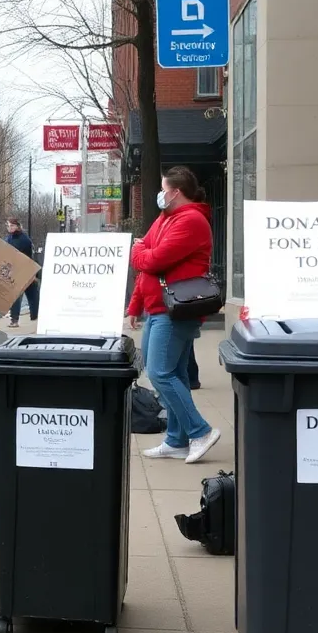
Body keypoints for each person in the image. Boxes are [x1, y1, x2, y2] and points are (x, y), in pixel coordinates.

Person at [127, 166, 220, 464]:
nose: (160, 194)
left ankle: (200, 431)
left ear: (175, 192)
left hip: (177, 309)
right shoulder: (167, 218)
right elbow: (148, 260)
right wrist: (135, 304)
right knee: (174, 373)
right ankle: (176, 440)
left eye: (163, 189)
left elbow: (151, 260)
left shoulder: (191, 220)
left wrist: (138, 253)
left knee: (159, 372)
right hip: (159, 308)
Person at [4, 217, 40, 327]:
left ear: (18, 226)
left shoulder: (24, 240)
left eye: (12, 225)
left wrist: (33, 273)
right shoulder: (8, 238)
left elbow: (28, 257)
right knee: (20, 295)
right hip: (16, 270)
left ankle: (35, 317)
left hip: (24, 270)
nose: (9, 228)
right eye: (8, 225)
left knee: (32, 295)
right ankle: (16, 320)